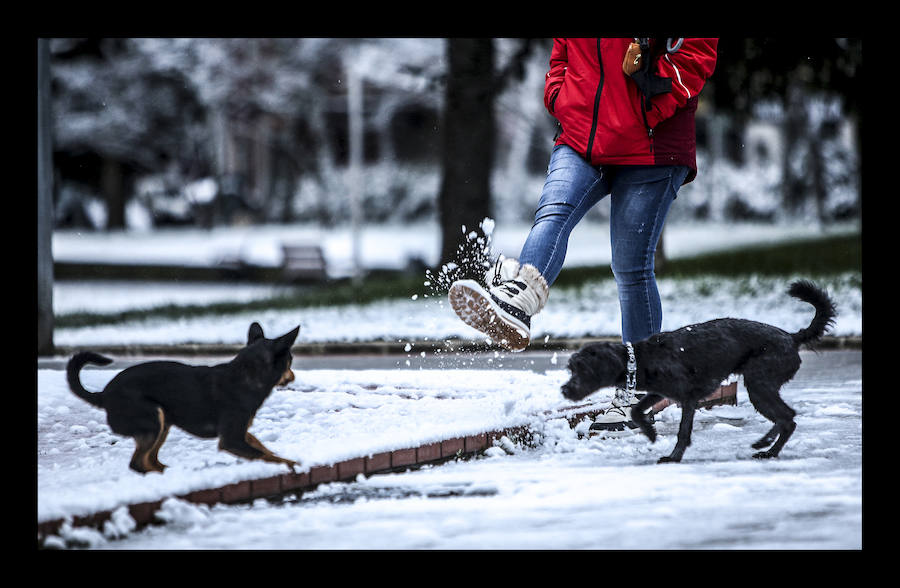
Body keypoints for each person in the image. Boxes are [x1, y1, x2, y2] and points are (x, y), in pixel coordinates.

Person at [449, 37, 720, 432]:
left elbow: (695, 53)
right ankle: (517, 304)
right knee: (553, 213)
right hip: (581, 137)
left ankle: (641, 389)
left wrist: (650, 104)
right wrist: (561, 96)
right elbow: (562, 54)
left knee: (630, 267)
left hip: (651, 144)